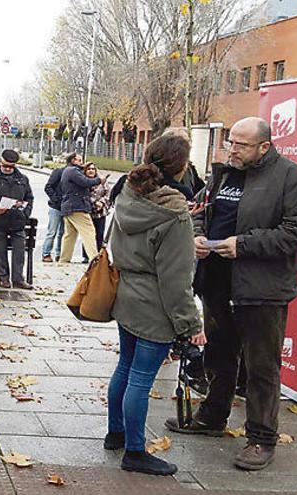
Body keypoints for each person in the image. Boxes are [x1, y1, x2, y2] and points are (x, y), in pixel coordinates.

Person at [166, 117, 297, 471]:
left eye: (241, 144)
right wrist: (197, 236)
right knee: (219, 355)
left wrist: (245, 246)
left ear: (264, 146)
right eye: (230, 142)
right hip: (218, 282)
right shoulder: (223, 175)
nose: (231, 149)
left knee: (261, 366)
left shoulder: (293, 179)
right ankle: (212, 416)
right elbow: (198, 211)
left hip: (262, 290)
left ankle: (261, 437)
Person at [105, 133, 205, 476]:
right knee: (142, 377)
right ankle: (135, 451)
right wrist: (192, 326)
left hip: (126, 296)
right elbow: (176, 280)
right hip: (154, 304)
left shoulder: (128, 195)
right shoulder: (174, 213)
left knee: (126, 366)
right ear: (181, 168)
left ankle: (115, 433)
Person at [0, 149, 34, 289]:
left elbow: (29, 197)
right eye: (5, 166)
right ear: (0, 163)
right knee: (0, 252)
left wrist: (25, 213)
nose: (8, 169)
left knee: (19, 252)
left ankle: (18, 279)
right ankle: (3, 279)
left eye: (11, 167)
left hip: (18, 222)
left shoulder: (22, 179)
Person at [58, 151, 101, 263]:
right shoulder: (73, 171)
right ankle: (94, 260)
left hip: (68, 206)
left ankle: (64, 259)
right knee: (89, 231)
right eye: (79, 160)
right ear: (73, 161)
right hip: (77, 207)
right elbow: (85, 182)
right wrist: (99, 180)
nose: (81, 162)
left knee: (70, 235)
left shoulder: (67, 171)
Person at [41, 155, 69, 262]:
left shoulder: (76, 174)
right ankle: (46, 253)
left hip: (67, 207)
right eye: (78, 160)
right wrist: (56, 199)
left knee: (63, 232)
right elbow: (48, 187)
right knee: (52, 231)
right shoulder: (59, 172)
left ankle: (59, 254)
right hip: (56, 207)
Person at [86, 162, 111, 251]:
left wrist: (101, 202)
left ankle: (99, 254)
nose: (91, 171)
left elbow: (108, 193)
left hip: (100, 212)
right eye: (89, 169)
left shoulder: (102, 180)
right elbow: (84, 195)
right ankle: (87, 255)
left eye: (93, 169)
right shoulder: (83, 181)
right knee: (89, 234)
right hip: (88, 211)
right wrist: (94, 202)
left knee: (100, 233)